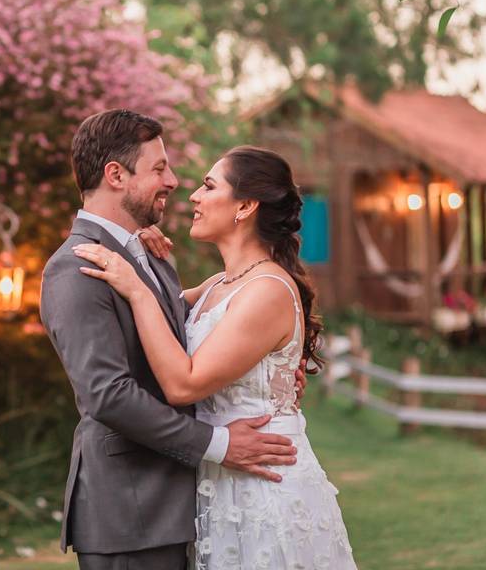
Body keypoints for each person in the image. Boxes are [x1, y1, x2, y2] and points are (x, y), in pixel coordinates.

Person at [40, 109, 303, 570]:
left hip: (193, 503)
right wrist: (218, 443)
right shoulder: (75, 268)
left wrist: (272, 366)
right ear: (116, 175)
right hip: (130, 511)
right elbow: (108, 395)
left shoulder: (149, 254)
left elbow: (186, 330)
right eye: (159, 168)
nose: (175, 181)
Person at [73, 144, 357, 569]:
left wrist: (134, 286)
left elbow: (183, 382)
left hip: (265, 487)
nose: (193, 197)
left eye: (209, 186)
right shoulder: (217, 285)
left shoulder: (266, 291)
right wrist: (138, 253)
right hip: (219, 483)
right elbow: (163, 317)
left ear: (244, 206)